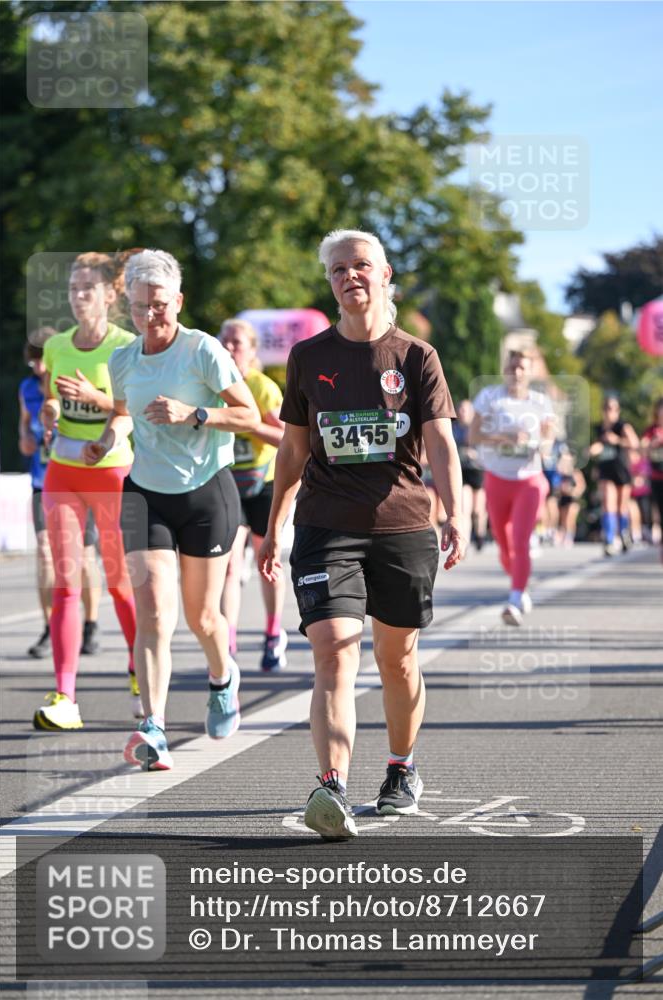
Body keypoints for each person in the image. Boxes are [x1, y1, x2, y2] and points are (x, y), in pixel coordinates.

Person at [258, 229, 465, 839]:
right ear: (330, 283)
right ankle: (332, 787)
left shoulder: (416, 357)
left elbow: (441, 443)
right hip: (326, 526)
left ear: (385, 274)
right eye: (339, 269)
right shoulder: (308, 358)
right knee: (333, 650)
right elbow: (293, 451)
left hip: (402, 523)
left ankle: (400, 767)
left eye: (362, 266)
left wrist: (454, 511)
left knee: (396, 658)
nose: (351, 276)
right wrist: (275, 526)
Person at [86, 249, 260, 772]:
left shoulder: (202, 351)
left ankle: (222, 675)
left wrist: (195, 413)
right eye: (140, 308)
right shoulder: (122, 360)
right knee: (155, 612)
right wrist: (105, 439)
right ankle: (153, 725)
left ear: (178, 301)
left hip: (206, 492)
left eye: (159, 306)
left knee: (203, 617)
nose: (150, 317)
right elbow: (122, 414)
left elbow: (249, 415)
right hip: (144, 493)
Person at [36, 252, 140, 730]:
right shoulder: (56, 344)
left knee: (120, 583)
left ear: (110, 294)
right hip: (62, 472)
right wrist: (52, 414)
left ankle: (142, 674)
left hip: (112, 471)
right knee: (65, 583)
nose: (78, 297)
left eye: (87, 289)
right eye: (73, 289)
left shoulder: (125, 346)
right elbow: (53, 399)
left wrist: (101, 426)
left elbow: (130, 412)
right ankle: (65, 697)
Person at [19, 328, 103, 659]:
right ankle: (49, 626)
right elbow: (24, 426)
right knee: (44, 552)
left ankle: (91, 623)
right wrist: (25, 438)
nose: (39, 369)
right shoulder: (26, 389)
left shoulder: (73, 386)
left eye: (43, 361)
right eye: (34, 362)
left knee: (82, 557)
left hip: (79, 481)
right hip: (43, 482)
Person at [219, 319, 287, 671]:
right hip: (227, 484)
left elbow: (287, 440)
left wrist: (250, 426)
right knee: (229, 566)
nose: (230, 348)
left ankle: (274, 634)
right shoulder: (211, 385)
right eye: (225, 341)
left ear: (252, 351)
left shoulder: (263, 389)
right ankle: (227, 646)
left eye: (237, 343)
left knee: (267, 563)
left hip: (264, 482)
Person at [469, 349, 555, 626]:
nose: (517, 372)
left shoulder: (541, 402)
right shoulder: (490, 398)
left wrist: (540, 444)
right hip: (496, 478)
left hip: (529, 480)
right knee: (504, 545)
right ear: (505, 368)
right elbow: (473, 435)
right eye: (513, 366)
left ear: (530, 373)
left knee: (520, 540)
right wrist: (503, 438)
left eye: (522, 368)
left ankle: (516, 598)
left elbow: (549, 436)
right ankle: (519, 579)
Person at [588, 395, 639, 556]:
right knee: (607, 503)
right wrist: (592, 450)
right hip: (605, 469)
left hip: (621, 469)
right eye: (607, 408)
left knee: (621, 506)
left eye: (613, 408)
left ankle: (623, 534)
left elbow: (634, 443)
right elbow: (598, 446)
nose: (609, 412)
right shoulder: (599, 428)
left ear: (617, 410)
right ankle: (609, 540)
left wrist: (617, 440)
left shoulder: (622, 426)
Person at [452, 399, 487, 551]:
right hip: (462, 470)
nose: (462, 412)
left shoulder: (479, 429)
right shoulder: (453, 429)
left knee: (478, 510)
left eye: (466, 410)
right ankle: (464, 542)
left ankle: (479, 534)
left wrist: (476, 454)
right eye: (460, 409)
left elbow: (489, 452)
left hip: (478, 471)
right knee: (465, 508)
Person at [642, 396, 663, 562]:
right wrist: (651, 445)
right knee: (660, 512)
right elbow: (641, 448)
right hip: (656, 477)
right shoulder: (651, 430)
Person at [556, 451, 586, 547]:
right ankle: (564, 535)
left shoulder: (576, 473)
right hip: (563, 498)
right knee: (563, 519)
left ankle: (570, 536)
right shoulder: (560, 473)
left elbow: (581, 486)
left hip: (573, 499)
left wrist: (573, 491)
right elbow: (556, 486)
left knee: (570, 517)